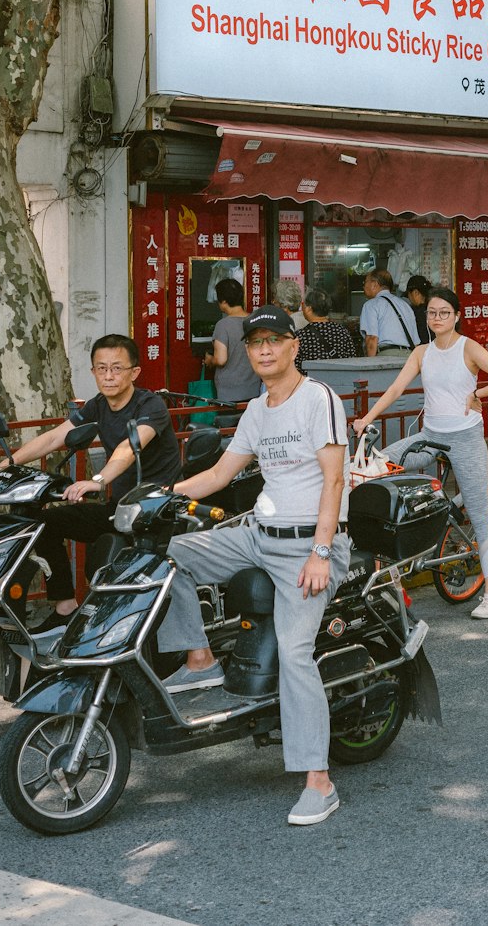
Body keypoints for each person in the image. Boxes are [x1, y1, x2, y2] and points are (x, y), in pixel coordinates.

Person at [155, 304, 350, 828]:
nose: (264, 350)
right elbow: (219, 474)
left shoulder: (319, 400)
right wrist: (158, 496)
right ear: (248, 352)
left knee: (295, 653)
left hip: (309, 545)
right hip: (258, 536)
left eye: (274, 341)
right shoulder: (257, 411)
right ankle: (200, 660)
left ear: (293, 345)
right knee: (168, 554)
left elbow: (334, 481)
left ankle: (319, 781)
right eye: (255, 343)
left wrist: (322, 552)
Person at [0, 334, 181, 632]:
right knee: (44, 523)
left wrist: (98, 480)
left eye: (117, 368)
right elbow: (54, 437)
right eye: (101, 368)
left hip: (155, 511)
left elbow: (128, 447)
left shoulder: (150, 405)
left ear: (134, 372)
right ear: (94, 372)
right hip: (120, 508)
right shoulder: (98, 405)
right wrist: (3, 465)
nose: (108, 376)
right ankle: (65, 605)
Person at [352, 287, 488, 619]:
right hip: (430, 435)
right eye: (431, 312)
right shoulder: (421, 352)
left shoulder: (468, 347)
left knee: (479, 513)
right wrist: (367, 418)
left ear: (456, 316)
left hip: (466, 439)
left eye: (443, 312)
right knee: (380, 464)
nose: (436, 318)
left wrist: (478, 393)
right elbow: (397, 388)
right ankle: (438, 513)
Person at [203, 278, 261, 405]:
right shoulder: (254, 321)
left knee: (228, 425)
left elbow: (221, 359)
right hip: (253, 388)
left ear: (223, 301)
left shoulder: (223, 325)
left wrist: (210, 360)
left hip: (229, 393)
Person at [359, 269, 420, 357]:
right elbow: (416, 342)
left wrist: (370, 365)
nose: (364, 286)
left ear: (374, 284)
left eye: (365, 282)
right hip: (409, 356)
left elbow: (372, 338)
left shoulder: (371, 305)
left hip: (387, 356)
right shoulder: (405, 305)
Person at [296, 288, 356, 369]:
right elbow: (352, 359)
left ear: (308, 309)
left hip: (312, 380)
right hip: (339, 379)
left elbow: (296, 366)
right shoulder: (342, 331)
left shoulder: (301, 336)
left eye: (303, 304)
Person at [406, 275, 433, 345]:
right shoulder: (434, 309)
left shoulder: (414, 312)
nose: (409, 298)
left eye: (408, 294)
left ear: (416, 293)